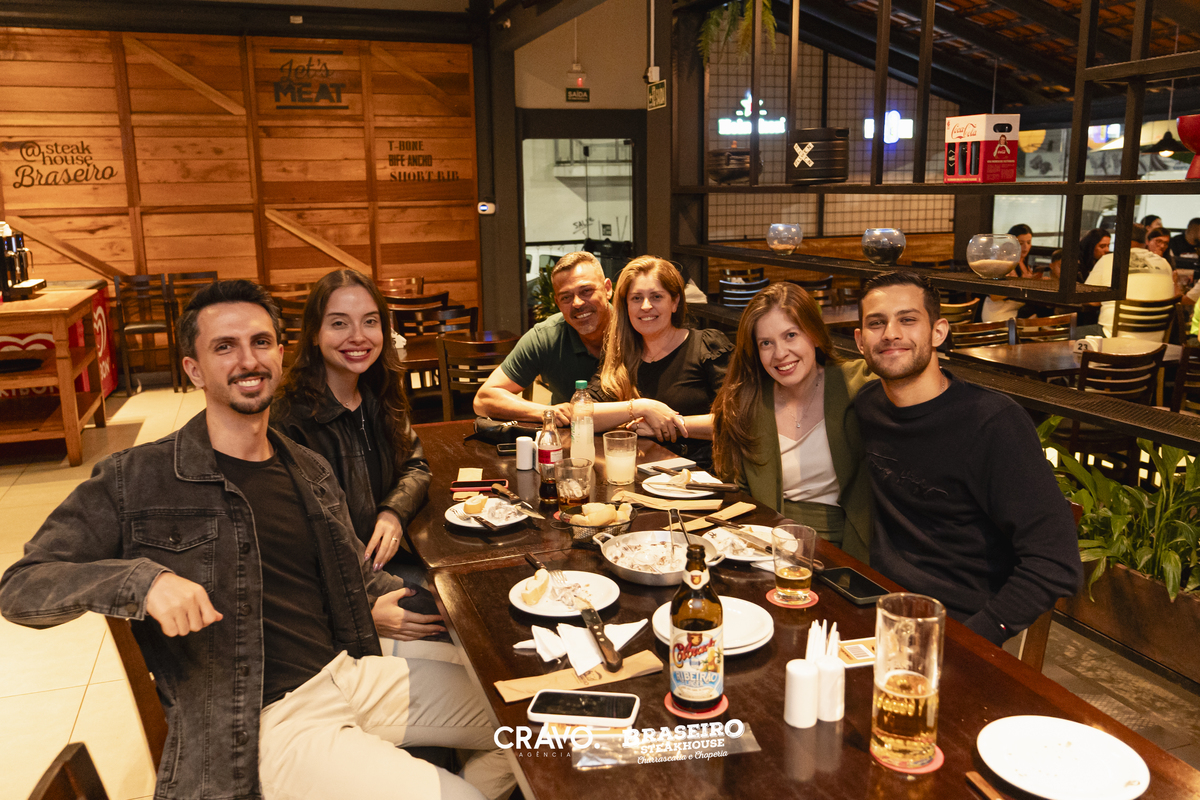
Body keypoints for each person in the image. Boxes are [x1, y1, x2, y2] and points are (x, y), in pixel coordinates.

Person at [0, 280, 513, 800]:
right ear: (194, 369)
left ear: (280, 354)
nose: (248, 360)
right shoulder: (137, 477)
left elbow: (353, 576)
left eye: (260, 342)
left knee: (531, 722)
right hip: (264, 720)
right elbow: (22, 586)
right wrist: (144, 582)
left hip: (347, 674)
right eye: (225, 346)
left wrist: (454, 603)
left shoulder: (307, 469)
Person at [852, 271, 1083, 646]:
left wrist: (973, 639)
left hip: (955, 626)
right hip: (870, 604)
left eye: (907, 319)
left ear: (938, 332)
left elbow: (1055, 562)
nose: (891, 333)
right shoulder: (867, 406)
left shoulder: (993, 424)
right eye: (877, 323)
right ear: (861, 341)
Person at [271, 270, 435, 599]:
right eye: (339, 323)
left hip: (385, 561)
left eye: (370, 321)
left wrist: (393, 512)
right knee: (453, 607)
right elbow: (293, 543)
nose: (358, 336)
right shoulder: (288, 418)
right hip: (336, 586)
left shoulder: (379, 392)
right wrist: (367, 608)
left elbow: (416, 466)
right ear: (314, 334)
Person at [710, 283, 873, 562]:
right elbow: (737, 493)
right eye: (766, 343)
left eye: (791, 335)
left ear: (815, 335)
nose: (780, 353)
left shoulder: (858, 385)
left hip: (846, 548)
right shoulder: (745, 401)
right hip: (764, 544)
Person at [587, 256, 733, 467]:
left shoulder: (708, 346)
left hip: (701, 475)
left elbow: (738, 420)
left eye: (656, 296)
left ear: (674, 302)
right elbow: (582, 414)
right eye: (636, 298)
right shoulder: (622, 357)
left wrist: (669, 425)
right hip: (639, 474)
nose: (646, 306)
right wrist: (641, 407)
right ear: (626, 306)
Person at [473, 251, 611, 425]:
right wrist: (547, 412)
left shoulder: (634, 328)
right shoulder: (546, 336)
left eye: (586, 291)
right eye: (566, 297)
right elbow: (483, 399)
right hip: (568, 434)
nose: (577, 303)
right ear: (557, 302)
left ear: (607, 289)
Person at [1084, 223, 1176, 341]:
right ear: (1145, 241)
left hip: (1112, 336)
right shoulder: (1164, 263)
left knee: (1069, 335)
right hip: (1155, 340)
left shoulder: (1109, 260)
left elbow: (1091, 301)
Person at [982, 223, 1034, 322]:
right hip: (998, 314)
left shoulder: (1023, 261)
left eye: (1028, 242)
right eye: (1021, 243)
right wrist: (1022, 290)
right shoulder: (1003, 262)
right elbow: (994, 296)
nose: (1026, 247)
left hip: (1015, 311)